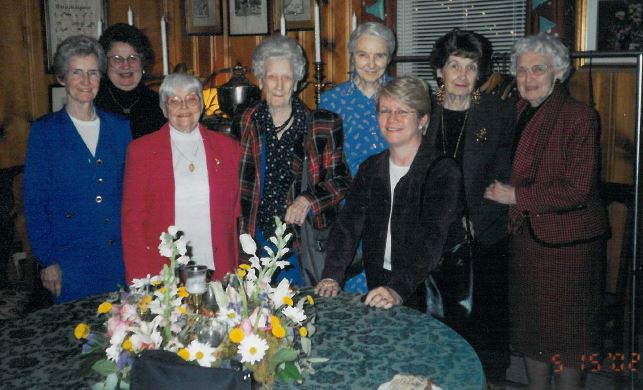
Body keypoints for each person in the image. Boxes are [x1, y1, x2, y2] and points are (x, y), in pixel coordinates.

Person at [485, 33, 608, 390]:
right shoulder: (520, 110)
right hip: (527, 240)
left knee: (570, 341)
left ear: (558, 72)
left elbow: (578, 187)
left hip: (568, 246)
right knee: (531, 333)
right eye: (521, 71)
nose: (528, 78)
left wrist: (516, 197)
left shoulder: (579, 116)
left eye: (538, 69)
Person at [315, 76, 463, 312]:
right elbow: (348, 224)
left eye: (403, 111)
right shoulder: (371, 168)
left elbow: (431, 239)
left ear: (423, 119)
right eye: (385, 111)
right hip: (381, 284)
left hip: (429, 289)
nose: (392, 119)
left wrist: (398, 289)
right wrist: (332, 275)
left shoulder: (443, 171)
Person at [426, 28, 515, 384]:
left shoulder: (498, 113)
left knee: (483, 326)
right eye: (454, 65)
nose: (462, 75)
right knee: (436, 322)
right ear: (439, 71)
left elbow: (503, 179)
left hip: (482, 237)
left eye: (471, 67)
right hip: (431, 236)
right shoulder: (422, 111)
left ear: (481, 72)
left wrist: (474, 218)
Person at [24, 35, 132, 303]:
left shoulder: (120, 128)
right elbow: (35, 203)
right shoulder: (45, 132)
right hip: (70, 260)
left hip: (117, 254)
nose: (86, 81)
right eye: (77, 72)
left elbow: (131, 194)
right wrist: (48, 260)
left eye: (93, 73)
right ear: (62, 78)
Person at [236, 35, 351, 286]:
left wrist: (308, 199)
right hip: (256, 239)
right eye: (271, 77)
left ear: (298, 81)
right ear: (260, 79)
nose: (278, 85)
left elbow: (342, 180)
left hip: (300, 242)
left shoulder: (322, 123)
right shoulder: (248, 121)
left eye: (286, 77)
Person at [122, 72, 241, 283]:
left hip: (217, 264)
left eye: (191, 98)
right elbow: (132, 222)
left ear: (202, 104)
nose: (184, 106)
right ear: (163, 108)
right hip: (163, 269)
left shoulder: (228, 148)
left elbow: (236, 213)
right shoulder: (141, 151)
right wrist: (140, 280)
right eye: (174, 101)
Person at [319, 21, 396, 293]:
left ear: (389, 58)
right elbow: (321, 164)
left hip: (394, 209)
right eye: (363, 54)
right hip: (347, 210)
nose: (372, 63)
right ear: (352, 56)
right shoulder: (331, 101)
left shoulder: (401, 96)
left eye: (380, 55)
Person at [95, 23, 166, 139]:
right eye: (117, 59)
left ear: (143, 62)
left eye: (133, 58)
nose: (126, 65)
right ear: (104, 63)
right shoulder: (93, 103)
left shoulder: (159, 104)